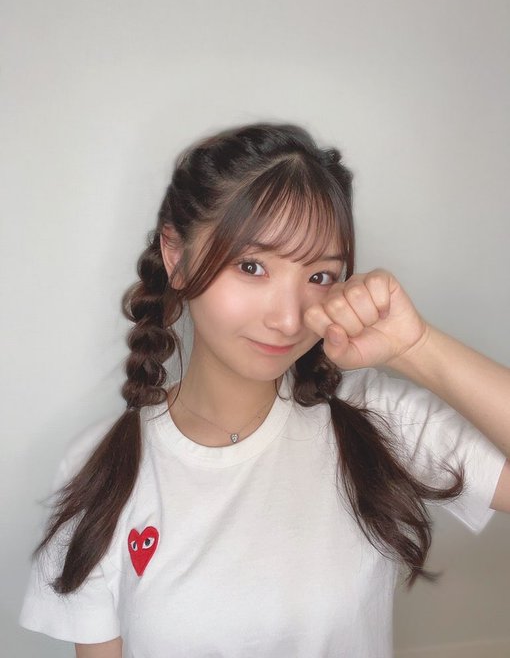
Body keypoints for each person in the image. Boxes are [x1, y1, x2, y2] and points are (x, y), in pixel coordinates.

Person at [19, 122, 509, 658]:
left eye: (320, 277)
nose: (288, 319)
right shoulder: (100, 469)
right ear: (176, 256)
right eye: (252, 267)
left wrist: (416, 347)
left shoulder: (373, 416)